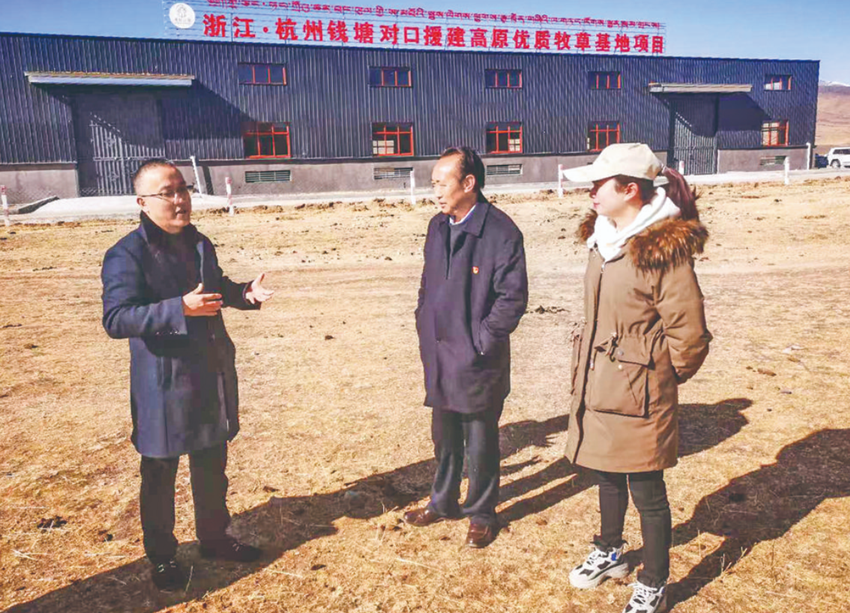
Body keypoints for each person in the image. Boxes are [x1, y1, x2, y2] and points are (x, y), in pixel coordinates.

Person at [101, 159, 274, 590]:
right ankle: (162, 557)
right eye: (168, 193)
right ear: (142, 202)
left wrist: (244, 294)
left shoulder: (199, 243)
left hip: (209, 373)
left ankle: (214, 537)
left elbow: (214, 289)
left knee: (212, 465)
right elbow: (117, 319)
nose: (180, 200)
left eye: (183, 189)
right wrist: (178, 308)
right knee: (159, 476)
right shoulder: (126, 254)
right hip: (163, 383)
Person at [563, 143, 712, 613]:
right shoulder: (603, 240)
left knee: (648, 492)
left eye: (599, 184)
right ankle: (609, 551)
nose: (591, 192)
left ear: (630, 190)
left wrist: (656, 379)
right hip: (600, 384)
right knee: (606, 474)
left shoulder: (661, 251)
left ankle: (654, 582)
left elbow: (689, 334)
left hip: (642, 395)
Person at [404, 146, 528, 548]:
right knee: (444, 437)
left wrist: (481, 342)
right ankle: (442, 501)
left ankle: (482, 512)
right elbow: (428, 282)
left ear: (469, 183)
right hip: (440, 353)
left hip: (477, 359)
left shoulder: (501, 232)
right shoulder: (437, 226)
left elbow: (512, 299)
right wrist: (424, 318)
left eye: (443, 183)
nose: (436, 192)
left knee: (480, 441)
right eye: (433, 184)